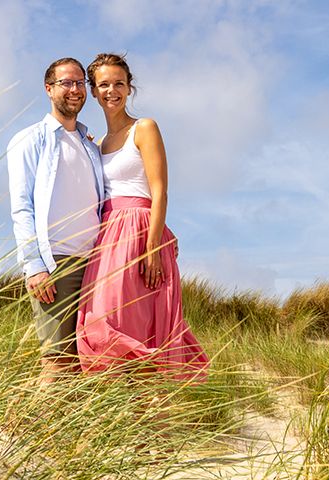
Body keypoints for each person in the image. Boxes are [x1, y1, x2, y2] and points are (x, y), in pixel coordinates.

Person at [76, 53, 208, 379]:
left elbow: (160, 191)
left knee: (138, 324)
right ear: (93, 91)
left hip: (139, 231)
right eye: (104, 84)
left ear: (129, 87)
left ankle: (149, 416)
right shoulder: (99, 142)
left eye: (119, 83)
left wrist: (151, 249)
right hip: (106, 238)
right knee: (100, 320)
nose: (112, 91)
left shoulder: (144, 128)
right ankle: (121, 415)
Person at [7, 58, 107, 383]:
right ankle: (27, 431)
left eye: (80, 82)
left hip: (95, 265)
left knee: (87, 361)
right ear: (49, 89)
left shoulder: (90, 145)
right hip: (56, 264)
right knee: (56, 361)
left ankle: (68, 432)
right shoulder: (30, 139)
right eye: (66, 82)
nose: (75, 89)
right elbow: (22, 207)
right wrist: (33, 265)